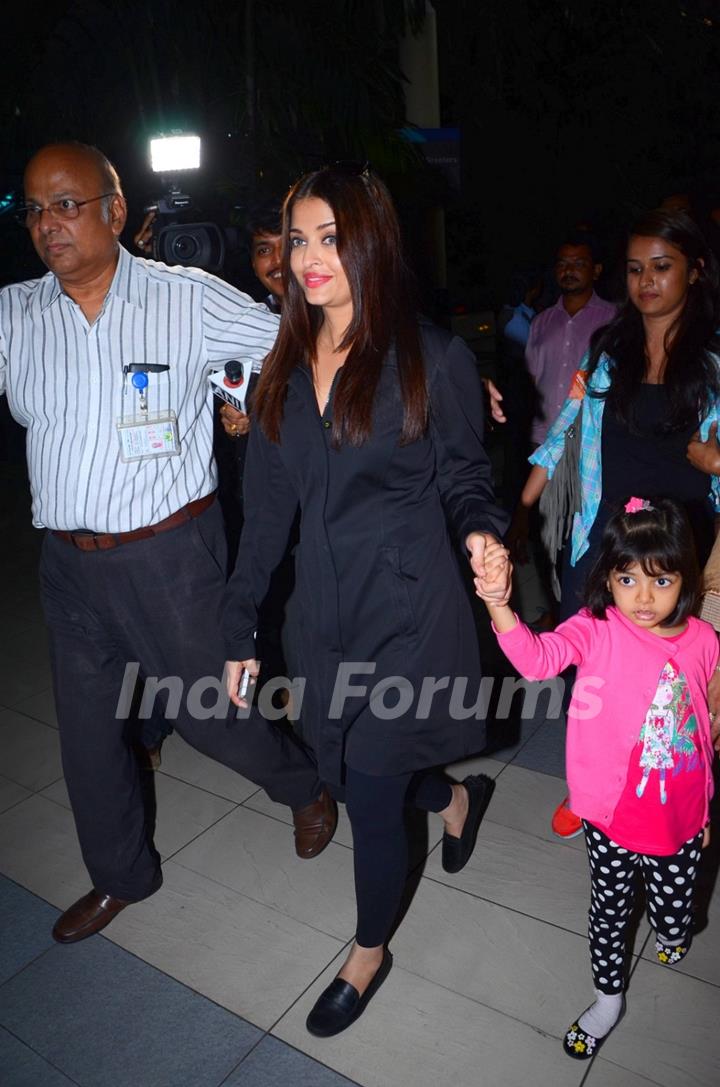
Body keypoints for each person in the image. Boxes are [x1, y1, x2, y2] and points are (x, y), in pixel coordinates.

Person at [0, 141, 338, 944]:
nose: (50, 224)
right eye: (35, 209)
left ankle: (304, 787)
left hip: (170, 558)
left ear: (115, 212)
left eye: (68, 205)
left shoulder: (186, 299)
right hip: (67, 565)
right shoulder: (15, 313)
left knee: (208, 714)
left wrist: (425, 368)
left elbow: (300, 348)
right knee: (86, 735)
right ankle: (122, 875)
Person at [222, 165, 510, 1036]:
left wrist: (483, 535)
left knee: (372, 792)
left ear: (371, 240)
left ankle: (368, 951)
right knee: (347, 768)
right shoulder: (280, 370)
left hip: (412, 615)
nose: (310, 259)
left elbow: (465, 474)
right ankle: (452, 799)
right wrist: (240, 625)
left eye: (331, 239)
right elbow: (267, 519)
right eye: (299, 239)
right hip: (324, 619)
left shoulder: (433, 357)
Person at [478, 496, 719, 1059]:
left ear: (683, 581)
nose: (643, 596)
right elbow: (537, 661)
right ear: (607, 578)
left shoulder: (705, 643)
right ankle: (607, 999)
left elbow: (701, 735)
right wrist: (500, 607)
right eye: (628, 578)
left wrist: (705, 808)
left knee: (675, 909)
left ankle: (673, 932)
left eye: (661, 582)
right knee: (609, 912)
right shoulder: (595, 630)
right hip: (610, 820)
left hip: (681, 818)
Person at [513, 209, 720, 839]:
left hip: (682, 550)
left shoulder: (712, 365)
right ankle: (591, 785)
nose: (647, 281)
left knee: (670, 682)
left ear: (694, 272)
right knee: (591, 668)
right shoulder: (610, 353)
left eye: (662, 267)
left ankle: (671, 792)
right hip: (605, 538)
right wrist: (519, 511)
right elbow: (563, 436)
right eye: (636, 269)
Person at [525, 234, 615, 448]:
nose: (569, 270)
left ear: (596, 270)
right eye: (563, 264)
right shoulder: (541, 322)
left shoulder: (613, 318)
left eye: (579, 264)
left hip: (592, 437)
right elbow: (531, 378)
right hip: (543, 438)